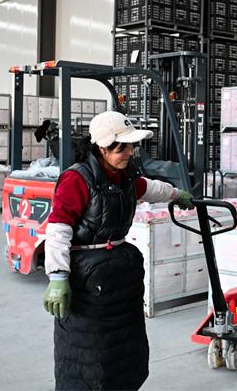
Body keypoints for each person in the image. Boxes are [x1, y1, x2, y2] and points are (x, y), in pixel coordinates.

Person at [42, 110, 194, 390]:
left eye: (131, 146)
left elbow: (150, 188)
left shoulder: (125, 176)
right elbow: (58, 228)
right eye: (122, 147)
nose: (130, 153)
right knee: (91, 353)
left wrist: (177, 194)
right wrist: (58, 276)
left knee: (124, 350)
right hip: (89, 282)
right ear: (103, 147)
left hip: (120, 279)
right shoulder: (77, 179)